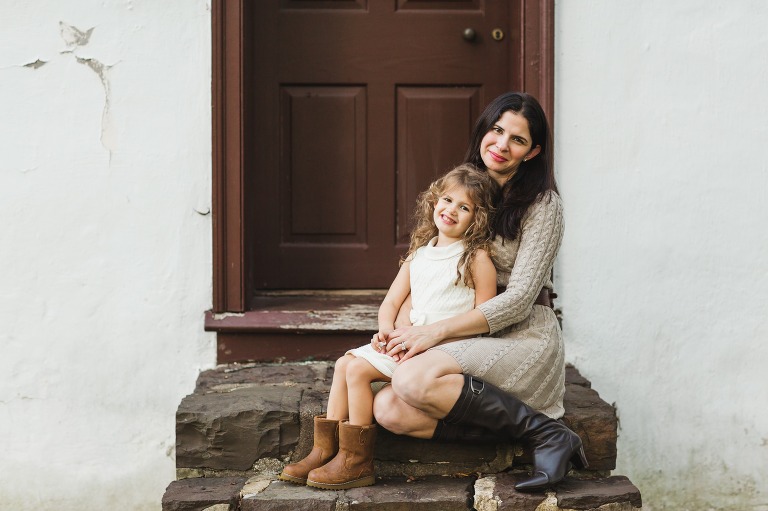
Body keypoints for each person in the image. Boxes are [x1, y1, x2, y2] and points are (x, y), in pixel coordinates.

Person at [372, 92, 588, 492]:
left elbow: (521, 298)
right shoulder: (462, 187)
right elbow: (424, 262)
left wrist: (433, 333)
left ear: (533, 150)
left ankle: (546, 433)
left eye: (518, 140)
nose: (502, 145)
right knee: (388, 410)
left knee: (410, 383)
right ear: (484, 131)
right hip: (459, 328)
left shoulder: (544, 205)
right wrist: (406, 326)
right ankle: (521, 438)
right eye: (497, 130)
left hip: (521, 334)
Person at [279, 164, 498, 490]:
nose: (451, 210)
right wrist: (385, 331)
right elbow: (391, 303)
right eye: (448, 200)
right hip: (406, 341)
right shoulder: (419, 254)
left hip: (440, 351)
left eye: (464, 207)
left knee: (357, 371)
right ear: (435, 200)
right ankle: (324, 450)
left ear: (477, 218)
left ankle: (356, 461)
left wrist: (433, 337)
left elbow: (485, 318)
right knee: (344, 364)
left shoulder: (475, 257)